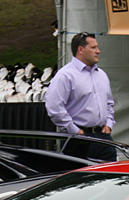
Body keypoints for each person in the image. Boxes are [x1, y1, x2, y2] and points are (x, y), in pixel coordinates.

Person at [44, 32, 116, 162]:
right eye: (93, 48)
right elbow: (54, 107)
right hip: (80, 138)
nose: (98, 51)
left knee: (109, 179)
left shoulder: (101, 75)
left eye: (97, 47)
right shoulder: (66, 75)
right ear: (80, 50)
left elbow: (109, 103)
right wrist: (75, 131)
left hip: (104, 137)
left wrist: (109, 123)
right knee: (81, 180)